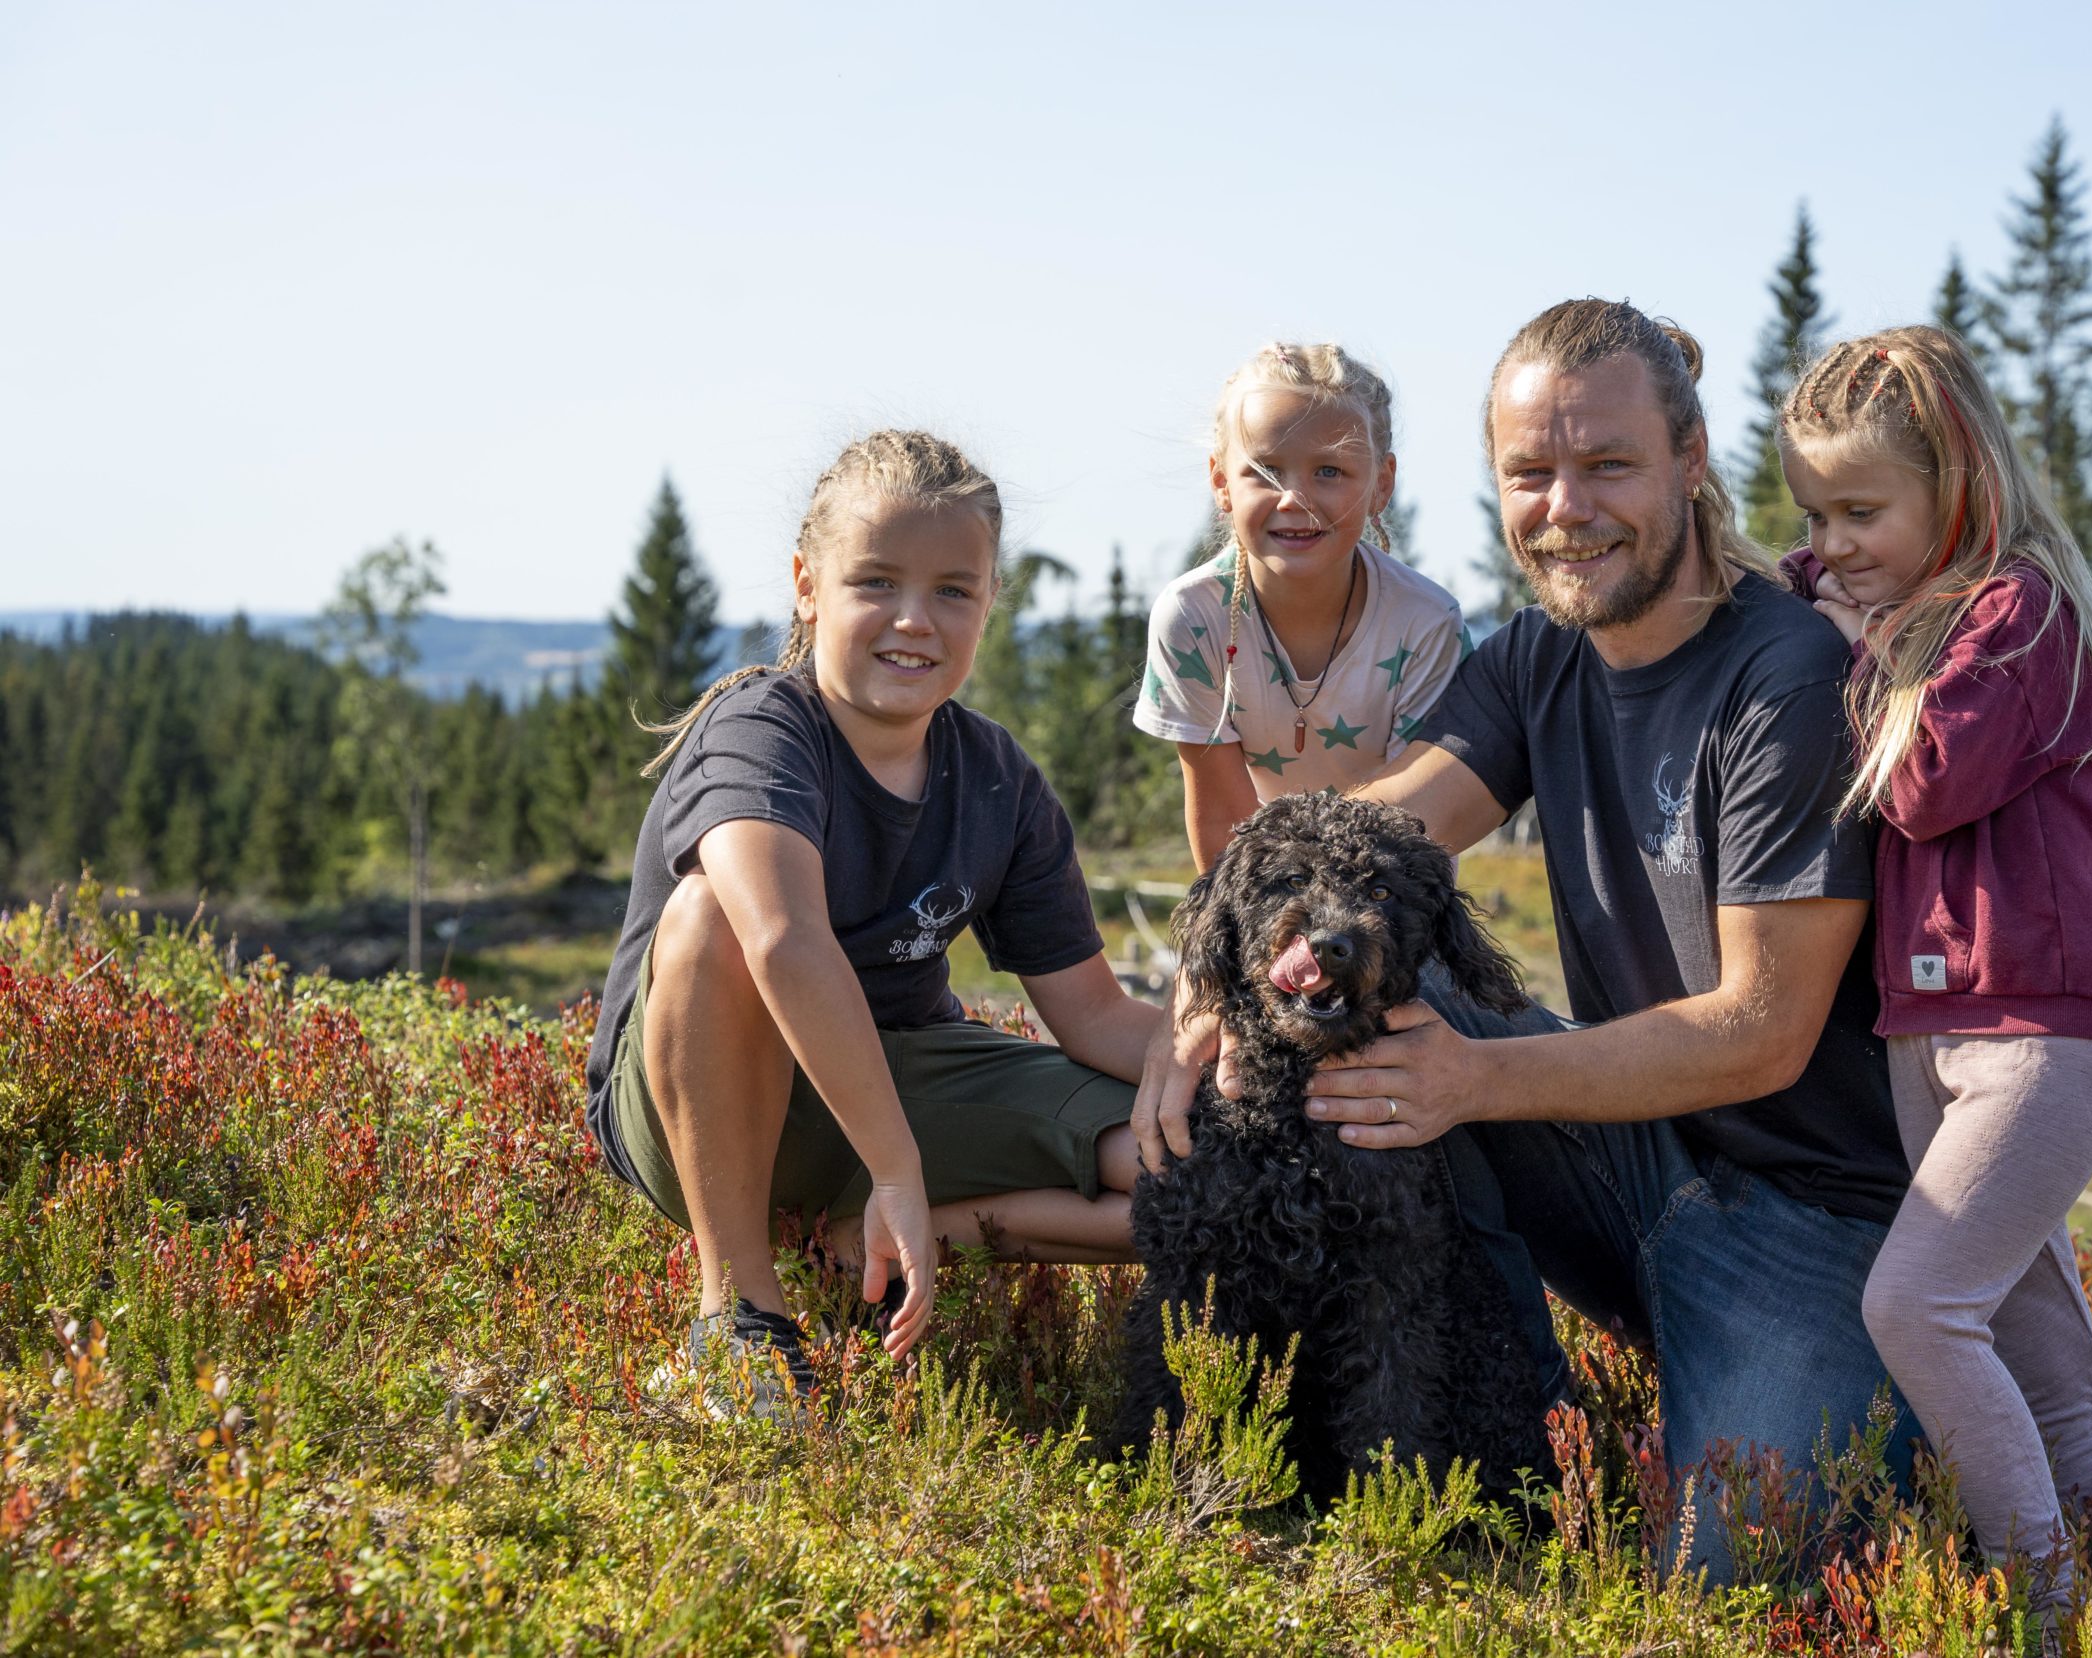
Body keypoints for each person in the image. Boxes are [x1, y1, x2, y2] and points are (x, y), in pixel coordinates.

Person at [1131, 299, 1921, 1582]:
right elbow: (1349, 836)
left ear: (1690, 454)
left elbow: (1766, 1028)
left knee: (1720, 1586)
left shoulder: (1782, 677)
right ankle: (1450, 1425)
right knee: (1374, 939)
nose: (1567, 507)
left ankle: (1779, 1387)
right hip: (1628, 1156)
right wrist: (1207, 989)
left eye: (1607, 464)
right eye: (1529, 473)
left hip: (1811, 1216)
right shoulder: (1538, 657)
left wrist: (1480, 1077)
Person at [583, 429, 1160, 1417]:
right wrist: (894, 1160)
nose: (913, 620)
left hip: (897, 1075)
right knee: (718, 909)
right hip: (701, 1101)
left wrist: (1262, 1057)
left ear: (989, 602)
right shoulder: (762, 727)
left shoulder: (998, 780)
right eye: (875, 582)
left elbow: (1098, 1018)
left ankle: (906, 1230)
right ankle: (741, 1318)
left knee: (1204, 1167)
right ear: (807, 584)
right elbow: (780, 942)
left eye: (952, 589)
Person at [1776, 326, 2092, 1639]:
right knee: (2047, 1360)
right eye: (1815, 510)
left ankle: (2047, 1616)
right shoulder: (1893, 603)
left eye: (1862, 508)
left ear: (1960, 482)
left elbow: (1929, 779)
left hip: (2038, 1038)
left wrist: (1856, 638)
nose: (1833, 540)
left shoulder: (2023, 609)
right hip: (1929, 1036)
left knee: (1919, 1305)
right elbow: (1780, 588)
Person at [1133, 342, 1469, 872]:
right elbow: (1222, 815)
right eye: (1265, 472)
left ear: (1381, 484)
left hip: (1395, 887)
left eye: (1329, 471)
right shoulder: (1194, 618)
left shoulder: (1426, 624)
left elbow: (1416, 812)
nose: (1294, 498)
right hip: (1263, 881)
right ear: (1221, 482)